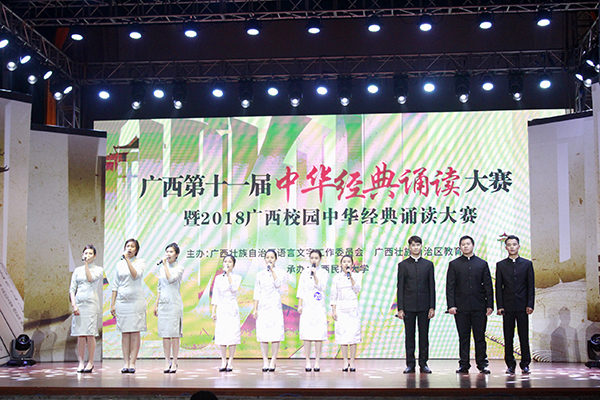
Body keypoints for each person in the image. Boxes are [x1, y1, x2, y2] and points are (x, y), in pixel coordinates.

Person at [446, 235, 493, 374]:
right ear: (460, 247)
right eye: (463, 244)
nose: (466, 246)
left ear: (473, 245)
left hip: (479, 306)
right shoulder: (454, 264)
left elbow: (488, 286)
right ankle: (464, 364)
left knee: (480, 337)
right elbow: (450, 287)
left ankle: (482, 364)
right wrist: (451, 305)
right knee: (463, 337)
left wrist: (490, 305)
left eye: (468, 244)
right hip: (461, 307)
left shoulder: (482, 264)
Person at [396, 235, 435, 374]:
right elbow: (400, 287)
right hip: (408, 306)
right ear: (409, 247)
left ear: (421, 246)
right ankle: (410, 364)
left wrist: (432, 306)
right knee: (409, 336)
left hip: (424, 306)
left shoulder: (428, 265)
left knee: (424, 336)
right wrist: (400, 308)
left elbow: (432, 286)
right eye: (413, 245)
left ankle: (423, 364)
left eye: (418, 245)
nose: (415, 247)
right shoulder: (403, 265)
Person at [496, 235, 535, 374]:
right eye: (509, 245)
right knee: (508, 337)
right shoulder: (501, 265)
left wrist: (530, 304)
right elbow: (498, 287)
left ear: (519, 246)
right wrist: (500, 306)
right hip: (507, 307)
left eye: (514, 244)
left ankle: (525, 363)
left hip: (523, 306)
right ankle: (510, 364)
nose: (512, 247)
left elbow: (530, 286)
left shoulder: (527, 264)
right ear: (506, 247)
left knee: (523, 336)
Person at [110, 238, 147, 373]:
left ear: (136, 250)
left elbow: (136, 275)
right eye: (127, 246)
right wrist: (112, 303)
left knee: (135, 331)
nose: (129, 248)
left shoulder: (140, 262)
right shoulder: (119, 265)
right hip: (122, 301)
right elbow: (115, 285)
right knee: (125, 332)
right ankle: (125, 363)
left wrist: (127, 260)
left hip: (136, 301)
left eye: (132, 246)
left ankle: (133, 363)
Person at [69, 244, 104, 373]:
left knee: (90, 333)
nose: (87, 256)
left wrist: (86, 265)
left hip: (90, 304)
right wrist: (74, 305)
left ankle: (90, 362)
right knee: (80, 334)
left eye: (90, 254)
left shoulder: (98, 269)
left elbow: (90, 279)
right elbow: (72, 289)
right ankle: (80, 362)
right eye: (85, 253)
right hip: (79, 304)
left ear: (94, 256)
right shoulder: (77, 270)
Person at [153, 243, 184, 373]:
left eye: (171, 252)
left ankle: (175, 362)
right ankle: (167, 361)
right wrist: (156, 304)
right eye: (167, 251)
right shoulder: (161, 269)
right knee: (165, 334)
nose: (168, 254)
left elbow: (171, 279)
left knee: (174, 334)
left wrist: (165, 265)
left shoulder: (179, 268)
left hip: (174, 303)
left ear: (176, 254)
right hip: (163, 304)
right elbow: (160, 287)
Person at [252, 249, 285, 372]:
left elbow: (278, 284)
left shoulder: (280, 272)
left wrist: (272, 271)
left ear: (276, 259)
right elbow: (257, 292)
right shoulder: (260, 274)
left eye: (272, 257)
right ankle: (265, 360)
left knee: (275, 335)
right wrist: (255, 308)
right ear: (264, 259)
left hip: (275, 307)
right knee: (263, 335)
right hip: (263, 307)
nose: (269, 259)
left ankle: (273, 361)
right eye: (267, 257)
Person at [297, 249, 328, 372]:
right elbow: (301, 290)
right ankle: (308, 361)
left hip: (318, 306)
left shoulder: (324, 273)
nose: (314, 260)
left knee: (318, 335)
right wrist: (300, 305)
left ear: (320, 259)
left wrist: (315, 275)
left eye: (316, 258)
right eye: (312, 258)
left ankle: (317, 362)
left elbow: (321, 287)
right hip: (307, 306)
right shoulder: (305, 272)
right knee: (307, 335)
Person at [331, 254, 362, 372]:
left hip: (353, 308)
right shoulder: (337, 278)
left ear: (352, 264)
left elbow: (357, 289)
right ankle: (345, 361)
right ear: (341, 264)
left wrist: (351, 277)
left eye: (348, 261)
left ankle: (352, 361)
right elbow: (334, 295)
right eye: (344, 262)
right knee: (343, 336)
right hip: (341, 308)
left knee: (353, 336)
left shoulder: (357, 276)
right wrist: (333, 310)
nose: (346, 264)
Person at [211, 254, 242, 372]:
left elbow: (233, 288)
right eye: (225, 261)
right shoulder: (218, 278)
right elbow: (216, 295)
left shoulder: (237, 277)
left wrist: (228, 274)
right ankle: (223, 360)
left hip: (232, 307)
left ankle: (231, 361)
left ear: (233, 264)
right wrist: (213, 311)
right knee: (222, 334)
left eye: (229, 262)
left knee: (232, 334)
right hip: (222, 307)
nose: (227, 264)